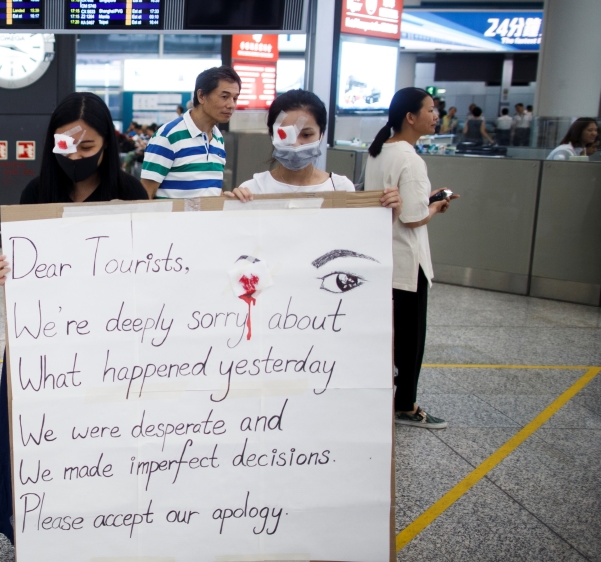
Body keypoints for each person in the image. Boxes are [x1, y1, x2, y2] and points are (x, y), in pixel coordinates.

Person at [0, 92, 149, 543]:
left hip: (112, 345)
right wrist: (6, 269)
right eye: (65, 147)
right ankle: (41, 528)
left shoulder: (131, 193)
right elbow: (25, 267)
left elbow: (156, 271)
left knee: (106, 442)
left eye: (88, 148)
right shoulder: (36, 194)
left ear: (108, 144)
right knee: (42, 440)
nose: (75, 157)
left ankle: (109, 526)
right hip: (46, 342)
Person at [365, 87, 459, 430]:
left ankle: (384, 398)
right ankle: (405, 404)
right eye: (430, 110)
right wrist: (436, 204)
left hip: (382, 257)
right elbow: (414, 216)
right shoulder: (410, 158)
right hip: (408, 263)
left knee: (390, 335)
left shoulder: (377, 152)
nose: (436, 115)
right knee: (411, 338)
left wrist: (424, 202)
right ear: (411, 116)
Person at [225, 89, 401, 218]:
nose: (296, 144)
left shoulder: (340, 189)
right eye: (285, 135)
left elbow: (355, 241)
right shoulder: (254, 189)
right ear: (272, 135)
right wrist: (229, 210)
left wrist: (388, 215)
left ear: (321, 134)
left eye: (307, 135)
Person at [140, 65, 241, 199]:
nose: (231, 105)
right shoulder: (169, 136)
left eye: (235, 98)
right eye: (224, 96)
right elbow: (144, 196)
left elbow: (209, 190)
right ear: (201, 96)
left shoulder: (218, 139)